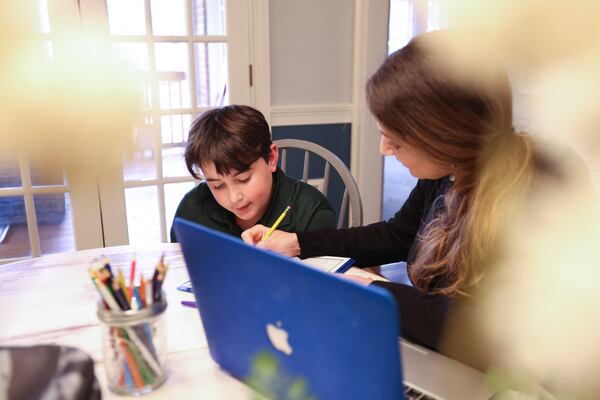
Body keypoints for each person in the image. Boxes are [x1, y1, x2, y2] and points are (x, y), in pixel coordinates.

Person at [242, 30, 594, 351]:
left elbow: (487, 334)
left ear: (443, 137)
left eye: (395, 140)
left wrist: (371, 290)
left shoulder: (540, 189)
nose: (383, 149)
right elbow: (397, 234)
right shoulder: (452, 168)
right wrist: (297, 243)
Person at [170, 105, 336, 242]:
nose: (234, 198)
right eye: (217, 185)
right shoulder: (192, 211)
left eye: (244, 179)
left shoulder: (312, 213)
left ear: (271, 158)